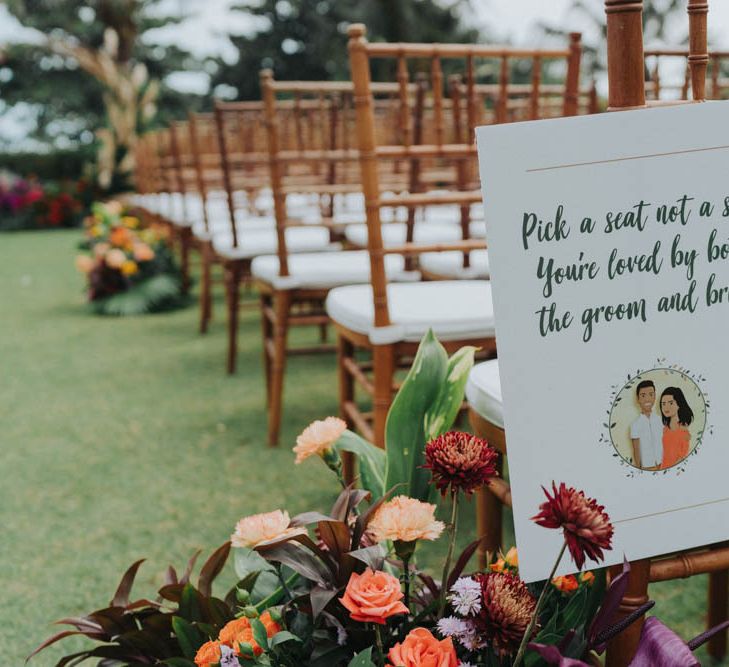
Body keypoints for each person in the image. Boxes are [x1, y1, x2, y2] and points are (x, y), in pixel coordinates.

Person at [630, 380, 663, 469]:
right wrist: (639, 469)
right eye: (643, 395)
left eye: (651, 394)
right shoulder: (635, 425)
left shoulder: (661, 420)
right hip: (647, 467)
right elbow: (636, 451)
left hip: (663, 463)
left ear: (655, 396)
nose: (647, 399)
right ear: (638, 399)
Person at [660, 387, 694, 469]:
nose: (666, 407)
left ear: (679, 404)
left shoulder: (684, 431)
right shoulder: (664, 429)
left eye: (670, 403)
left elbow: (683, 457)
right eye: (663, 404)